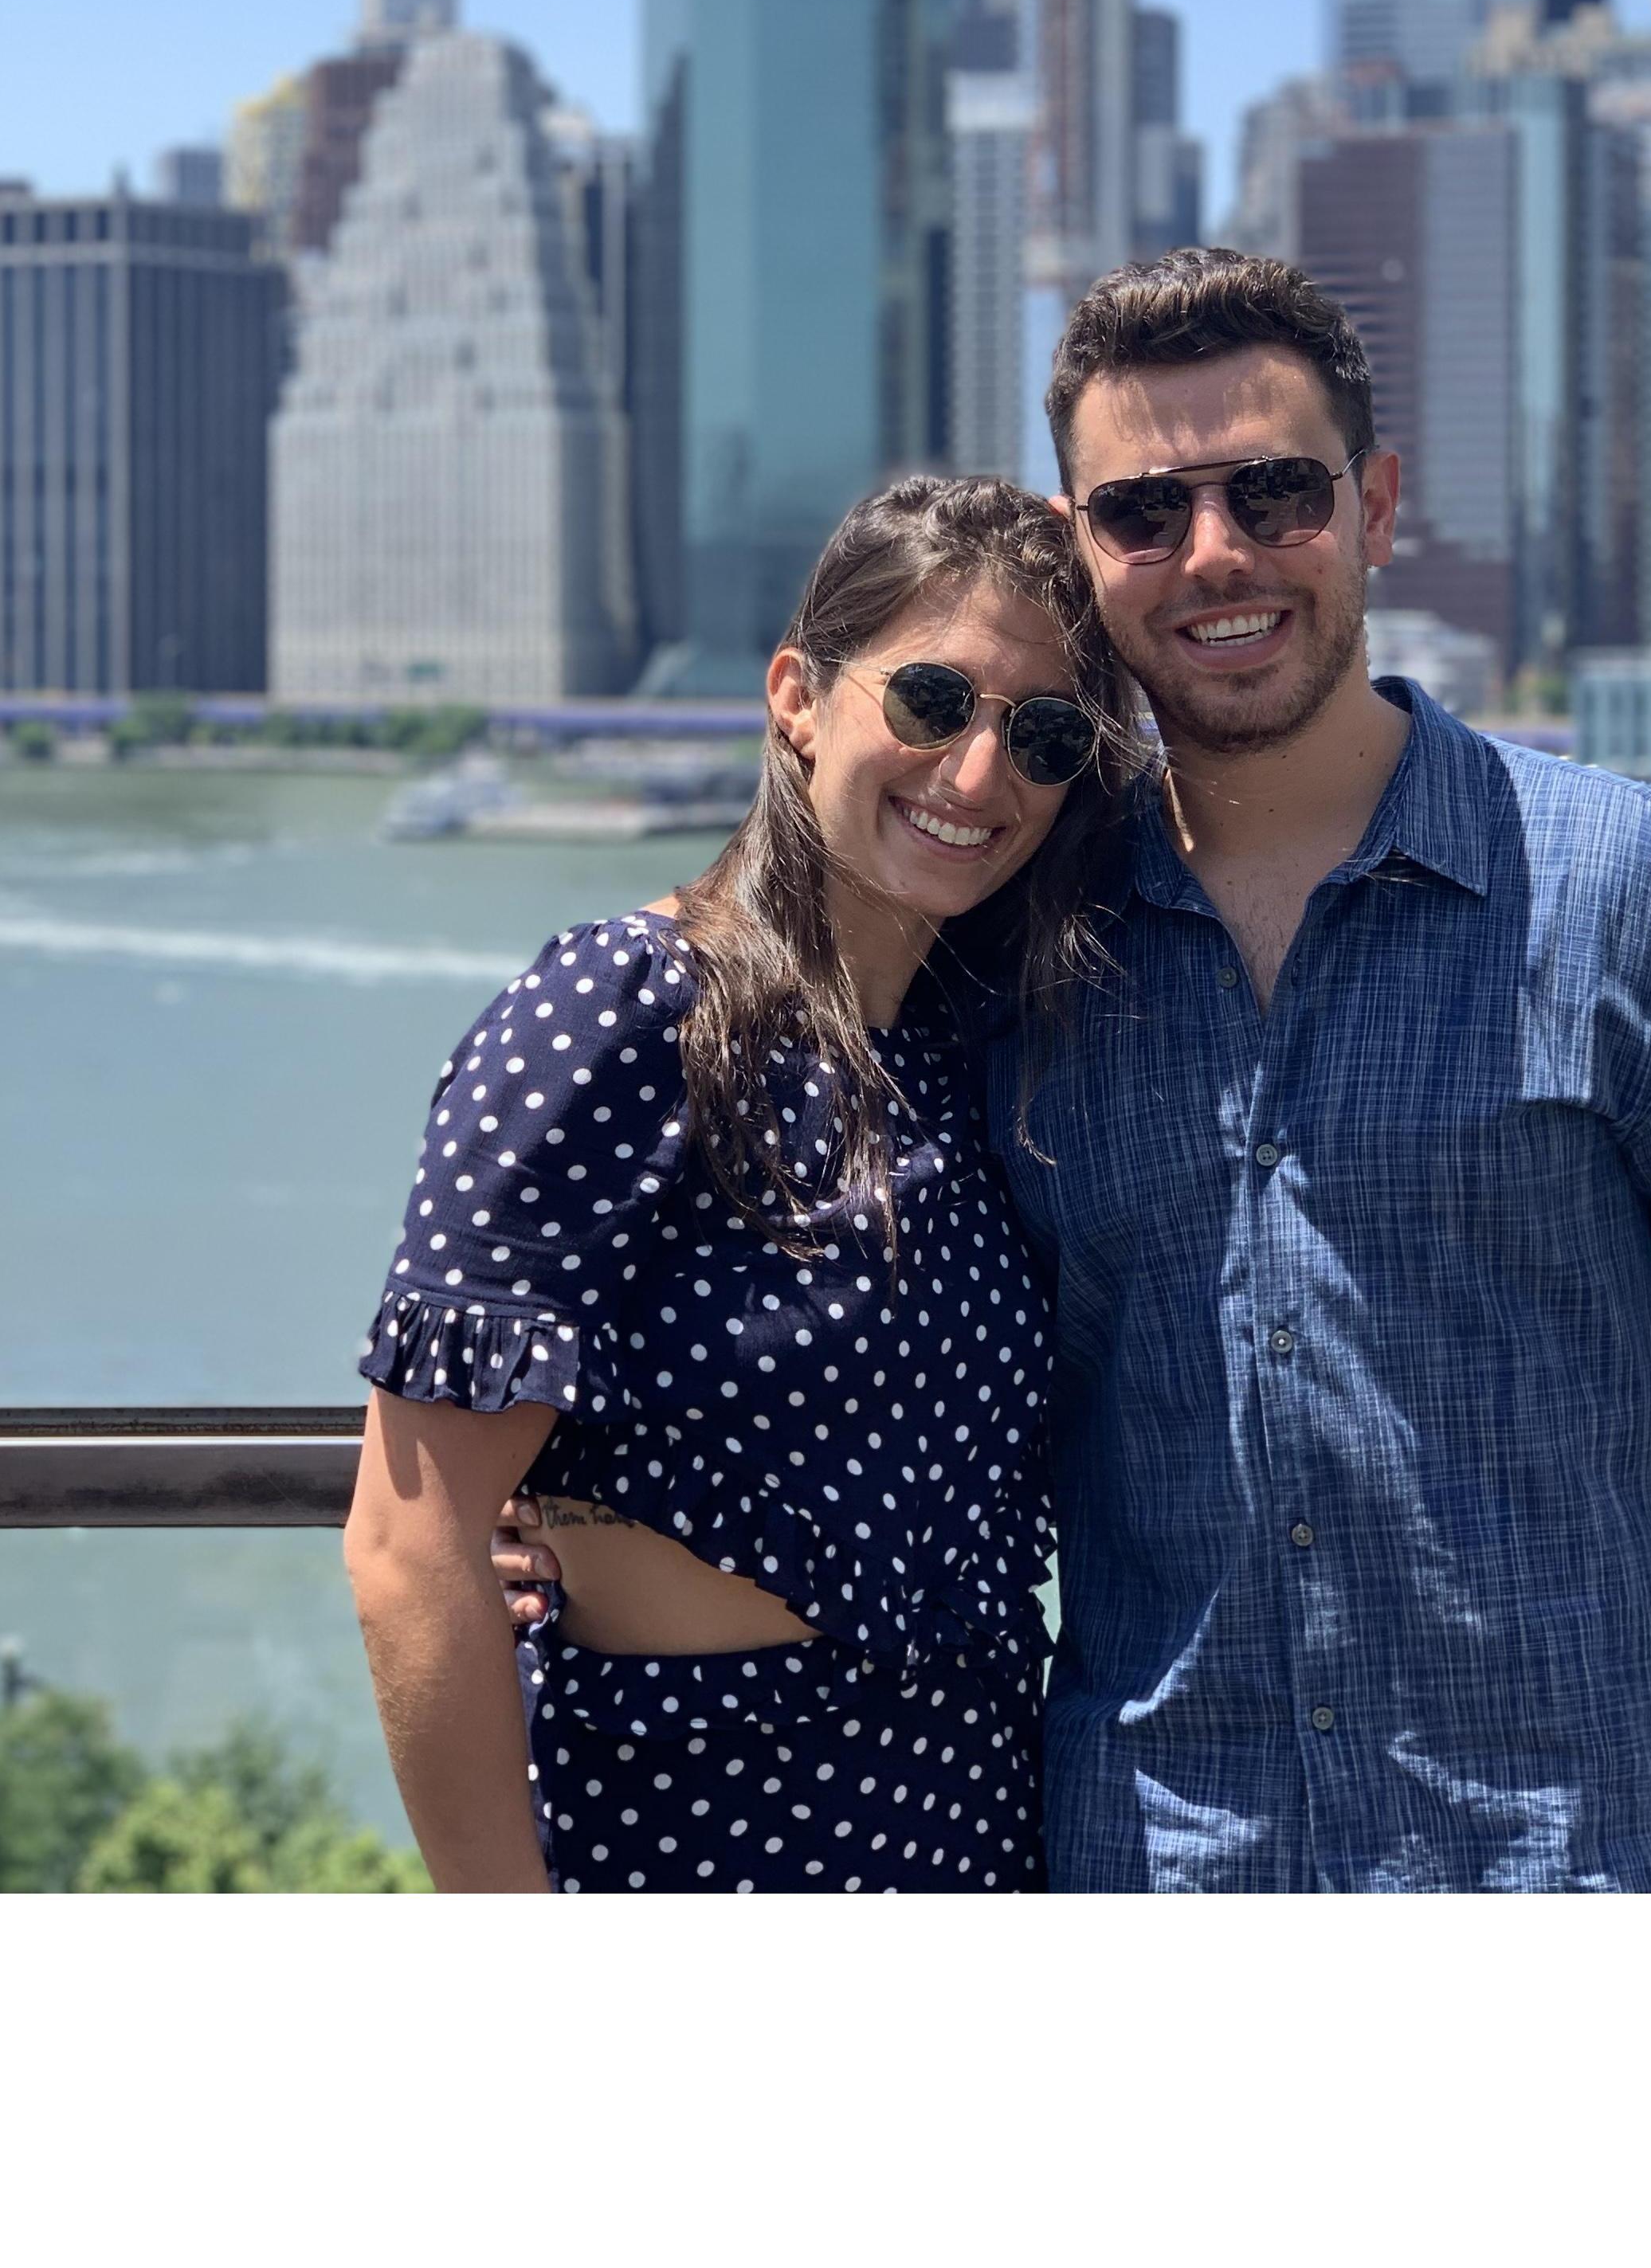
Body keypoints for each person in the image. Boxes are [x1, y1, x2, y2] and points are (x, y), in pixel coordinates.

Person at [496, 252, 1651, 1894]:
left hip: (1583, 1863)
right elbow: (820, 1285)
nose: (1214, 554)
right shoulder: (1002, 934)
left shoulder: (1644, 897)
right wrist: (572, 1524)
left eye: (1275, 493)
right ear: (1082, 544)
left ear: (1375, 506)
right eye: (1146, 511)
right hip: (1148, 1871)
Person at [343, 473, 1137, 1890]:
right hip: (699, 1824)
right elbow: (411, 1543)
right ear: (797, 696)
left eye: (1045, 735)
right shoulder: (629, 1008)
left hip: (971, 1823)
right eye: (933, 702)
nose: (976, 776)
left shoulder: (968, 1053)